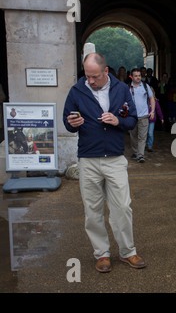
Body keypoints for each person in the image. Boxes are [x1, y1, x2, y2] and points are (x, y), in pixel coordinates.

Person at [63, 52, 146, 273]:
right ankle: (101, 254)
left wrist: (118, 120)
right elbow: (67, 121)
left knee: (122, 207)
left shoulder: (120, 89)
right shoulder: (77, 91)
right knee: (93, 210)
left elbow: (131, 120)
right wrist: (72, 123)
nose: (90, 81)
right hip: (88, 158)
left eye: (95, 76)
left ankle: (128, 252)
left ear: (106, 71)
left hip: (115, 158)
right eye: (87, 76)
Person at [129, 68, 156, 163]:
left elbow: (152, 99)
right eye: (135, 76)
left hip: (144, 116)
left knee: (142, 137)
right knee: (133, 136)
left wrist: (152, 111)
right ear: (131, 77)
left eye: (139, 75)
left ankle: (140, 155)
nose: (138, 77)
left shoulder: (145, 86)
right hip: (132, 117)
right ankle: (136, 152)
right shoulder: (129, 87)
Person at [147, 86, 164, 152]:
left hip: (152, 120)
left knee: (150, 133)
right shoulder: (145, 101)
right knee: (145, 133)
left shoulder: (155, 101)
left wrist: (161, 118)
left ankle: (149, 145)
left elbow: (158, 110)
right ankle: (145, 143)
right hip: (145, 119)